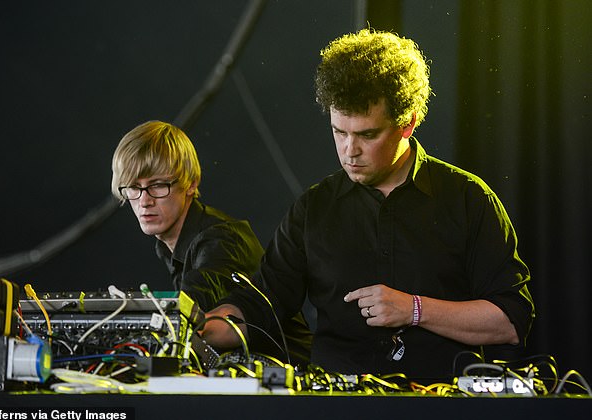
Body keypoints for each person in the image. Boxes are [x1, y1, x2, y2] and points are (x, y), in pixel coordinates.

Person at [202, 29, 534, 382]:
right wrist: (194, 331)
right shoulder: (314, 209)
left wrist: (415, 309)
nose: (349, 151)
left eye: (367, 135)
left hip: (440, 403)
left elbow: (510, 321)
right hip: (336, 406)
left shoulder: (468, 199)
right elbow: (261, 305)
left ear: (408, 123)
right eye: (339, 132)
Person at [110, 120, 312, 366]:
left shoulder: (220, 238)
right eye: (134, 187)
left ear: (191, 183)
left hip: (291, 384)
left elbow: (187, 319)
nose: (144, 201)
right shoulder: (168, 245)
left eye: (158, 185)